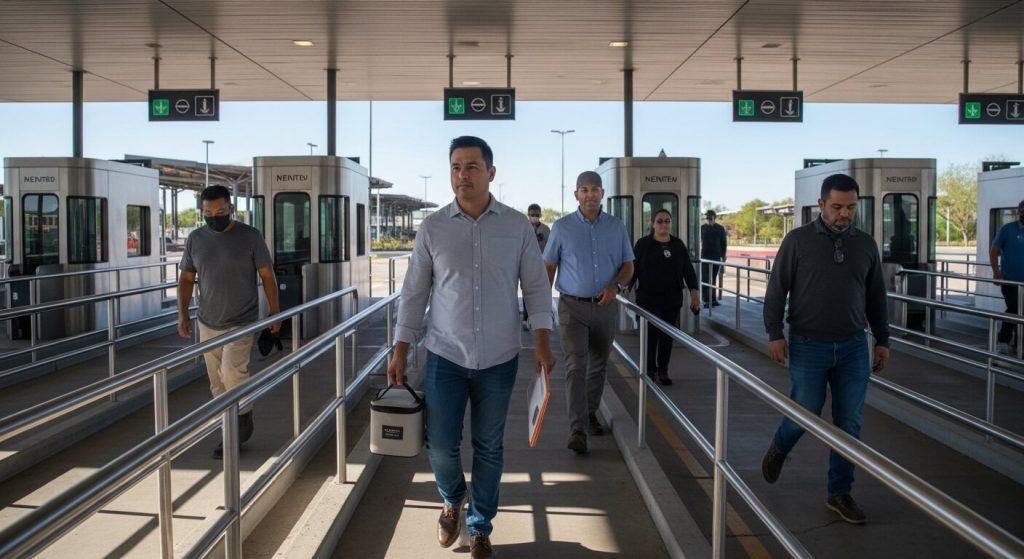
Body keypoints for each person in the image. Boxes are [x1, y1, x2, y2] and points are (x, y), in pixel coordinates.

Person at [387, 136, 555, 559]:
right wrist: (401, 348)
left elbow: (536, 288)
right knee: (440, 443)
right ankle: (452, 497)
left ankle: (480, 526)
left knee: (489, 445)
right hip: (445, 354)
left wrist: (542, 342)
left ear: (491, 172)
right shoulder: (433, 227)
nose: (463, 175)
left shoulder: (516, 226)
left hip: (500, 357)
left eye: (472, 167)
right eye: (456, 167)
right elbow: (414, 292)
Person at [760, 173, 890, 525]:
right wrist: (774, 333)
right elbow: (776, 292)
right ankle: (780, 447)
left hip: (853, 346)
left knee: (849, 423)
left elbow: (876, 295)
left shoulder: (865, 245)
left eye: (850, 207)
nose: (844, 214)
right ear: (820, 205)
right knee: (806, 411)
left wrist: (882, 339)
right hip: (807, 344)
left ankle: (839, 493)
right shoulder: (798, 241)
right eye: (837, 207)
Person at [177, 185, 281, 459]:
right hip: (208, 321)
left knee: (232, 374)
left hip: (241, 320)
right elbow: (187, 278)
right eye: (208, 212)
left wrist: (275, 312)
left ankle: (236, 430)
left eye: (220, 211)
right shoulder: (196, 239)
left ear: (231, 209)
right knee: (216, 383)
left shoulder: (250, 236)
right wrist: (183, 314)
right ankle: (233, 422)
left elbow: (267, 275)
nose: (214, 216)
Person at [543, 171, 634, 454]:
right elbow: (549, 267)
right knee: (575, 366)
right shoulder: (561, 227)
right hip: (572, 307)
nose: (589, 195)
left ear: (602, 194)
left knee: (598, 366)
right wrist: (540, 308)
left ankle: (590, 412)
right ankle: (577, 429)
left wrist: (615, 286)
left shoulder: (616, 227)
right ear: (576, 195)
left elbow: (628, 265)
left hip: (606, 308)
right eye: (584, 190)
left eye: (595, 190)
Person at [631, 209, 701, 385]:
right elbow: (632, 268)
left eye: (667, 221)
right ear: (653, 224)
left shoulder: (678, 245)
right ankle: (649, 370)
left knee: (666, 337)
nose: (664, 224)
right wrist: (623, 287)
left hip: (671, 300)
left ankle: (663, 370)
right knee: (650, 337)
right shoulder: (643, 245)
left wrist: (694, 295)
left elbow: (689, 272)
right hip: (648, 300)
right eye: (660, 221)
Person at [990, 199, 1024, 355]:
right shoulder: (1007, 229)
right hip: (1010, 280)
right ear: (1019, 212)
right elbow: (994, 250)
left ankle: (1019, 344)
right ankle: (1003, 340)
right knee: (1014, 309)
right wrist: (996, 272)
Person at [523, 203, 551, 329]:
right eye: (532, 214)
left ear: (540, 215)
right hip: (526, 265)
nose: (534, 217)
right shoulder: (524, 227)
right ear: (528, 215)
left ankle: (541, 318)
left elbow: (551, 248)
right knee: (526, 292)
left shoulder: (545, 230)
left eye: (536, 215)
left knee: (541, 291)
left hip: (542, 265)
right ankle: (526, 317)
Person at [700, 209, 728, 307]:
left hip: (716, 256)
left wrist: (724, 255)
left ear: (714, 217)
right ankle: (705, 299)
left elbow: (723, 243)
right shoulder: (702, 228)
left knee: (713, 279)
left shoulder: (720, 228)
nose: (708, 219)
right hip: (705, 256)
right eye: (706, 217)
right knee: (705, 278)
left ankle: (713, 299)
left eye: (710, 217)